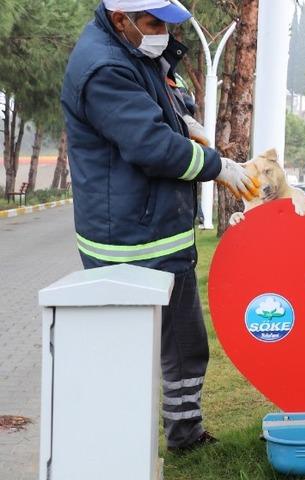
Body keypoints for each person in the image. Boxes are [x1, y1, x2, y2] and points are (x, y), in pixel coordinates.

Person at [61, 0, 258, 453]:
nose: (164, 34)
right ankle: (118, 445)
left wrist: (183, 118)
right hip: (130, 241)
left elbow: (157, 106)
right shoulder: (103, 67)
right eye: (153, 24)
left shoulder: (134, 51)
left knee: (185, 344)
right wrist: (218, 166)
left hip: (156, 230)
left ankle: (184, 435)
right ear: (120, 19)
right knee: (130, 352)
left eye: (169, 24)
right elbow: (150, 147)